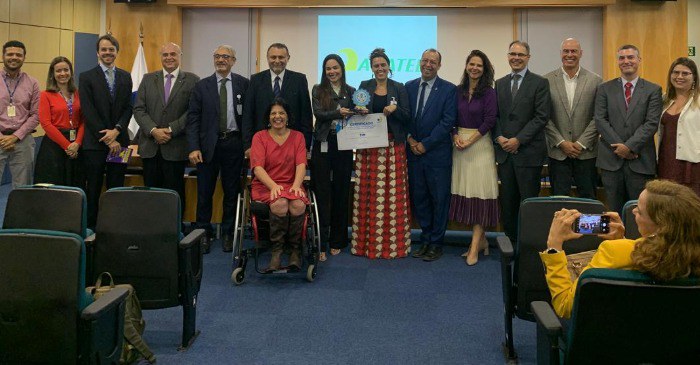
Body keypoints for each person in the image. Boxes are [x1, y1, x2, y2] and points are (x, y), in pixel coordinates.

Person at [540, 179, 700, 318]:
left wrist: (554, 246)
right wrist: (622, 242)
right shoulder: (691, 255)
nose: (633, 211)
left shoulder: (614, 251)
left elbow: (565, 306)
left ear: (661, 226)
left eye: (640, 211)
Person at [187, 45, 248, 253]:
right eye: (217, 56)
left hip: (234, 144)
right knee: (205, 192)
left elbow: (248, 118)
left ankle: (229, 232)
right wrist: (193, 147)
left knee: (232, 191)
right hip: (206, 147)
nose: (221, 60)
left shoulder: (243, 84)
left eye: (225, 57)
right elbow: (193, 119)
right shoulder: (201, 86)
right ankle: (203, 232)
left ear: (233, 60)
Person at [351, 48, 412, 259]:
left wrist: (395, 111)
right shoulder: (363, 87)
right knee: (368, 194)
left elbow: (407, 116)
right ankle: (365, 244)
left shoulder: (399, 87)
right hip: (369, 149)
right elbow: (354, 110)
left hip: (393, 147)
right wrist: (358, 111)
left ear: (389, 66)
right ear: (372, 68)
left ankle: (394, 245)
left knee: (393, 196)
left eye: (383, 65)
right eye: (376, 65)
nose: (380, 69)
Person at [133, 42, 200, 218]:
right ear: (160, 57)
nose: (169, 57)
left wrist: (171, 129)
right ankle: (151, 231)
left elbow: (193, 111)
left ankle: (175, 231)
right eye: (165, 55)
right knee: (151, 194)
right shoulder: (148, 79)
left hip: (176, 147)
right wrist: (153, 130)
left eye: (173, 54)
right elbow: (139, 109)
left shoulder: (192, 80)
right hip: (150, 147)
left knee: (175, 194)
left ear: (180, 56)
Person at [494, 40, 551, 244]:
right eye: (512, 54)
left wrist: (518, 140)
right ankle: (509, 246)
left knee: (528, 203)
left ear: (528, 57)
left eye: (520, 54)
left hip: (528, 154)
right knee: (508, 203)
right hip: (505, 155)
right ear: (508, 56)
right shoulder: (499, 83)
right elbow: (495, 116)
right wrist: (500, 137)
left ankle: (528, 247)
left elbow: (541, 117)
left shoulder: (540, 83)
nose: (516, 58)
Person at [595, 44, 662, 214]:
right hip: (611, 161)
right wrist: (620, 147)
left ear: (639, 60)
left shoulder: (653, 90)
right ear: (618, 61)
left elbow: (651, 123)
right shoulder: (604, 89)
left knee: (639, 212)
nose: (626, 61)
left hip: (640, 162)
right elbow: (600, 120)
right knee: (614, 213)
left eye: (630, 57)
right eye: (622, 58)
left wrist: (630, 147)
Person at [449, 50, 500, 266]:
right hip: (459, 146)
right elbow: (450, 117)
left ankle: (474, 246)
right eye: (471, 64)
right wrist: (454, 136)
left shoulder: (489, 92)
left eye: (479, 65)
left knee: (480, 195)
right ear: (466, 66)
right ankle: (481, 242)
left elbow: (490, 120)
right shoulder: (458, 91)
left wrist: (469, 140)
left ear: (484, 68)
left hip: (480, 146)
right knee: (467, 194)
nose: (474, 68)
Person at [406, 48, 457, 262]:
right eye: (425, 60)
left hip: (437, 156)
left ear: (439, 65)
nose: (428, 64)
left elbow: (447, 122)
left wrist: (425, 144)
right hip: (414, 154)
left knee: (439, 200)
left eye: (433, 62)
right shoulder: (408, 87)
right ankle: (425, 239)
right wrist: (410, 140)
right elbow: (404, 117)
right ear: (419, 62)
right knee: (420, 199)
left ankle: (436, 243)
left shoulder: (449, 90)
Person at [79, 34, 132, 229]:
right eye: (104, 49)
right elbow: (88, 111)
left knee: (117, 187)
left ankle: (115, 226)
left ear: (116, 52)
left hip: (121, 143)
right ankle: (92, 227)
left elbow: (128, 107)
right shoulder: (86, 77)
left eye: (111, 49)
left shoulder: (126, 76)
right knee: (93, 187)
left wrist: (117, 131)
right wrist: (108, 139)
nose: (107, 53)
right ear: (98, 53)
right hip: (95, 145)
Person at [250, 98, 309, 271]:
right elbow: (258, 168)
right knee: (280, 203)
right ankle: (277, 252)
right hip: (265, 185)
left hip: (292, 184)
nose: (278, 116)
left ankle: (295, 251)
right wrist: (273, 186)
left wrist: (297, 186)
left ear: (287, 116)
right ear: (268, 117)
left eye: (281, 113)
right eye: (273, 113)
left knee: (298, 204)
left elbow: (301, 165)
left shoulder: (298, 137)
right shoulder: (259, 137)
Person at [544, 38, 602, 199]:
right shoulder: (546, 81)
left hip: (586, 154)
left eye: (574, 51)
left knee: (588, 200)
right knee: (559, 202)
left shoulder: (595, 80)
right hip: (558, 154)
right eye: (566, 51)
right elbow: (544, 117)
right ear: (560, 54)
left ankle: (586, 226)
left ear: (581, 53)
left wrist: (581, 143)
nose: (570, 55)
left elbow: (598, 117)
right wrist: (562, 142)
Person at [310, 54, 355, 260]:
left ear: (342, 69)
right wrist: (340, 113)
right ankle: (321, 240)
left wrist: (358, 112)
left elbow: (357, 114)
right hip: (323, 144)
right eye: (328, 69)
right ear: (324, 71)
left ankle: (338, 240)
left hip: (344, 146)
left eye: (335, 68)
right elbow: (319, 114)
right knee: (322, 191)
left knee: (341, 190)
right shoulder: (318, 90)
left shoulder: (352, 91)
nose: (332, 72)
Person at [243, 43, 312, 153]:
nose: (277, 60)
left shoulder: (299, 80)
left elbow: (306, 115)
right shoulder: (256, 80)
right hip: (262, 143)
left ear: (288, 58)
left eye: (281, 57)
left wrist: (305, 145)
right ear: (267, 58)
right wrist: (247, 145)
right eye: (273, 57)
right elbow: (248, 114)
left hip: (292, 143)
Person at [34, 56, 85, 187]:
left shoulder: (78, 93)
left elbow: (84, 120)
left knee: (75, 183)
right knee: (54, 184)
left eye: (66, 70)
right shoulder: (45, 95)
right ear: (53, 74)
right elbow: (46, 124)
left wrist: (77, 143)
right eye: (58, 71)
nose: (63, 73)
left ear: (71, 72)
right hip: (54, 145)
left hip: (76, 145)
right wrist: (67, 146)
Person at [657, 57, 700, 196]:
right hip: (666, 160)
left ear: (694, 77)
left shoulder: (698, 100)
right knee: (668, 202)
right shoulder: (664, 100)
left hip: (691, 163)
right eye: (675, 72)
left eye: (685, 73)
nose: (679, 76)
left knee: (690, 204)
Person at [0, 40, 39, 189]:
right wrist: (3, 138)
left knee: (23, 189)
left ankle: (20, 213)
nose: (14, 57)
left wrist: (16, 136)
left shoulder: (32, 83)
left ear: (24, 57)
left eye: (18, 54)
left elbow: (36, 115)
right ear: (3, 56)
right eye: (10, 54)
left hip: (23, 140)